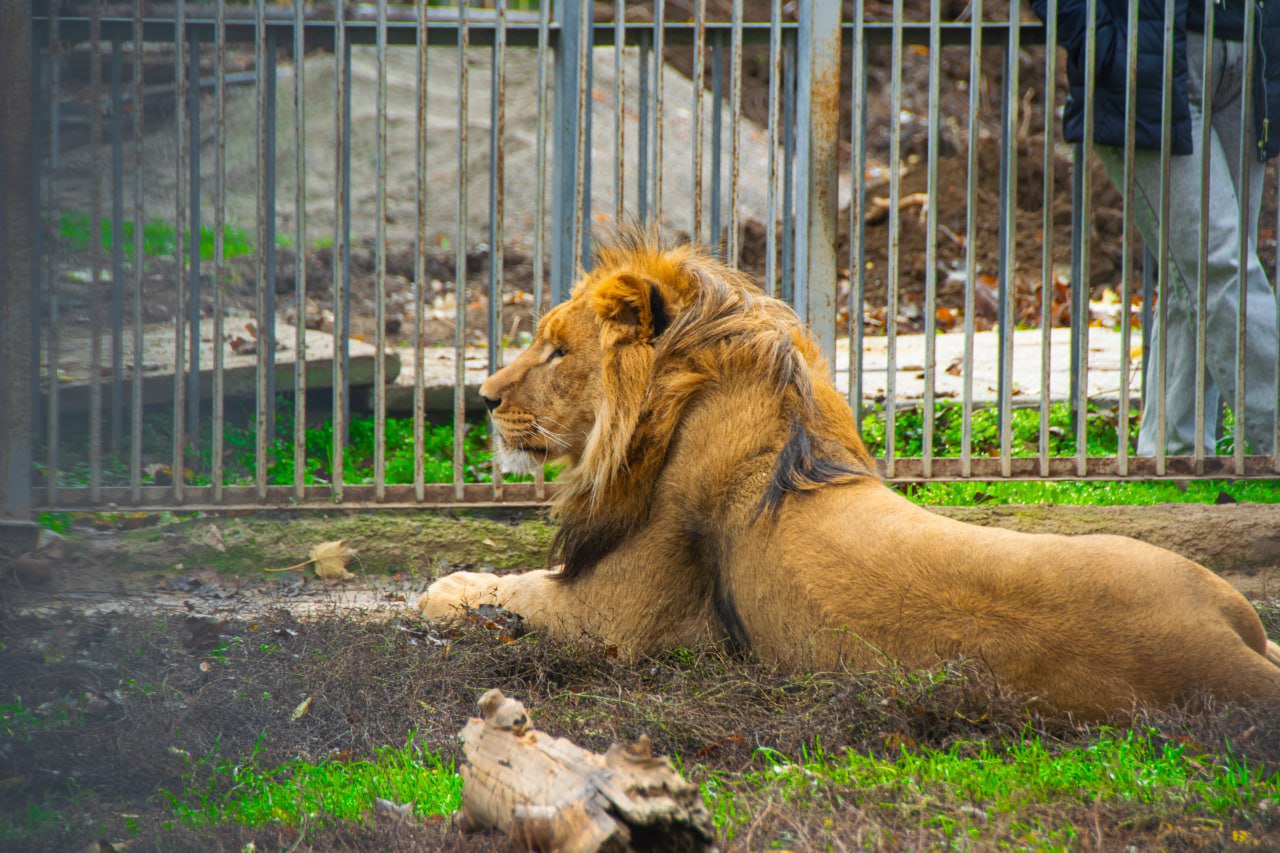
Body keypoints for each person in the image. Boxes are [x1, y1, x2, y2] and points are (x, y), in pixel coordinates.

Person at [1032, 0, 1280, 456]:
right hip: (1152, 55)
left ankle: (1174, 453)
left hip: (1250, 48)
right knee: (1219, 265)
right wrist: (1091, 33)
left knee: (1199, 275)